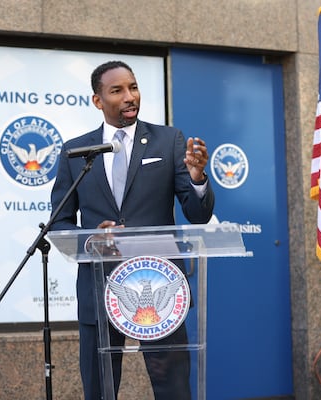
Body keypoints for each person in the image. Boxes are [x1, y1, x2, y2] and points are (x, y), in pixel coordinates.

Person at [50, 60, 215, 400]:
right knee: (99, 389)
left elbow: (197, 215)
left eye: (134, 87)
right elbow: (61, 223)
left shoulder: (168, 140)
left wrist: (197, 179)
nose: (130, 97)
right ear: (98, 101)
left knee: (173, 389)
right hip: (101, 289)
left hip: (160, 289)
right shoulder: (75, 152)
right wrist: (91, 238)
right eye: (117, 91)